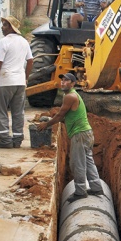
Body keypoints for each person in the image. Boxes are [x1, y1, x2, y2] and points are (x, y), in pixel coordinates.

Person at [37, 73, 103, 203]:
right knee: (88, 161)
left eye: (66, 81)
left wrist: (46, 124)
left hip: (80, 134)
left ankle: (80, 191)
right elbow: (68, 117)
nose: (63, 82)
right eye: (62, 80)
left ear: (73, 84)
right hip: (87, 133)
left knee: (77, 163)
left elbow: (60, 115)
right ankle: (96, 187)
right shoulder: (74, 96)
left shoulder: (70, 97)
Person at [0, 16, 34, 148]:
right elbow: (30, 61)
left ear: (10, 27)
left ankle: (5, 140)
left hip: (5, 81)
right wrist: (25, 77)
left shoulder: (4, 41)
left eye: (4, 25)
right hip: (20, 82)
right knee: (18, 111)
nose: (2, 28)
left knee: (1, 110)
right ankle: (17, 139)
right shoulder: (24, 42)